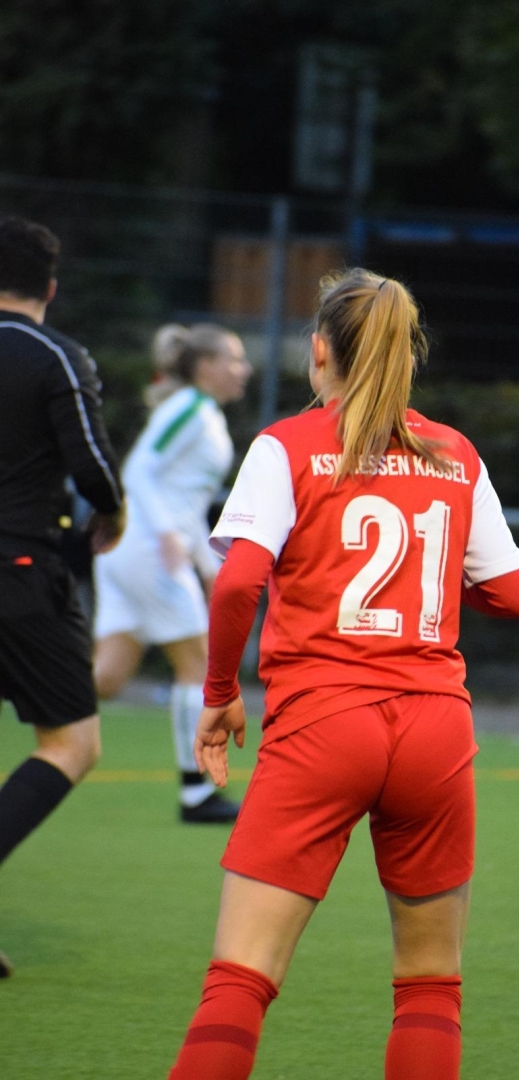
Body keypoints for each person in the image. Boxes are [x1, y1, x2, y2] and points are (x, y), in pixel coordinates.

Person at [168, 268, 519, 1078]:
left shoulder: (286, 445)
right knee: (430, 985)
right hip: (436, 728)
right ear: (407, 356)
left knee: (240, 979)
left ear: (318, 352)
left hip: (323, 722)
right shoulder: (454, 453)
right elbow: (516, 595)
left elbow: (236, 582)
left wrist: (220, 694)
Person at [0, 215, 126, 977]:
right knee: (71, 744)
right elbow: (92, 468)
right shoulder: (53, 355)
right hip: (17, 569)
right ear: (49, 286)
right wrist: (112, 512)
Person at [93, 322, 253, 823]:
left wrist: (207, 565)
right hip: (146, 550)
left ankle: (16, 677)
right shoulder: (189, 408)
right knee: (200, 665)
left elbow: (185, 503)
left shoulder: (205, 413)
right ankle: (196, 793)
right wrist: (165, 535)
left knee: (106, 678)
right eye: (233, 359)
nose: (243, 369)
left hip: (135, 550)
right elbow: (138, 470)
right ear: (205, 366)